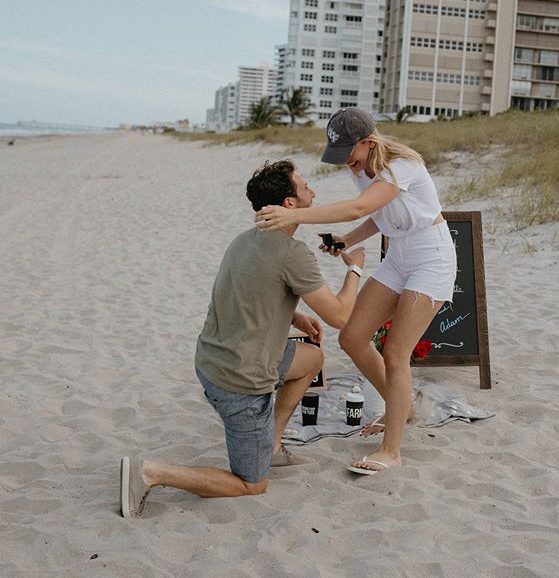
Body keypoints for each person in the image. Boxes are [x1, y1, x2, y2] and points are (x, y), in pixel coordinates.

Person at [120, 160, 365, 517]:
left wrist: (292, 313)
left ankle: (273, 446)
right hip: (241, 381)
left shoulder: (245, 239)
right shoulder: (292, 253)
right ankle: (151, 473)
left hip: (212, 360)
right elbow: (340, 316)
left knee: (311, 359)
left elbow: (244, 290)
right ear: (290, 204)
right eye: (304, 186)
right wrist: (355, 268)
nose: (312, 189)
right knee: (252, 484)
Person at [255, 108, 456, 475]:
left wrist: (295, 216)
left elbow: (360, 207)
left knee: (396, 353)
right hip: (398, 256)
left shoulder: (401, 166)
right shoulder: (361, 169)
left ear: (369, 141)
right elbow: (380, 214)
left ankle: (391, 450)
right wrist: (346, 240)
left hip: (432, 258)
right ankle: (404, 409)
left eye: (351, 150)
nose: (346, 159)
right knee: (352, 337)